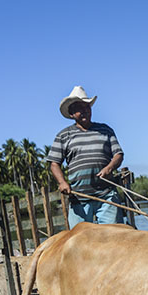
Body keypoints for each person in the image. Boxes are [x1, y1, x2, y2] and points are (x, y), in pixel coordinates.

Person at [46, 85, 124, 225]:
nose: (84, 111)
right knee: (79, 241)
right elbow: (54, 163)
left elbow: (118, 154)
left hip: (106, 195)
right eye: (79, 109)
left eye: (87, 107)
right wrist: (62, 182)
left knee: (113, 237)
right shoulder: (63, 135)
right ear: (71, 113)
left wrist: (109, 168)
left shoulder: (105, 130)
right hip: (79, 197)